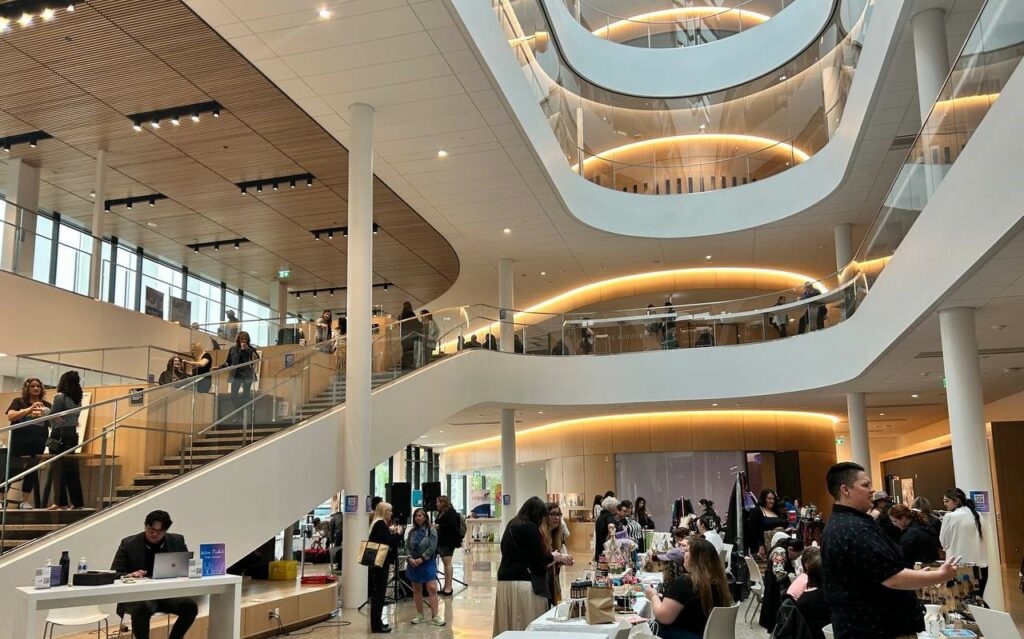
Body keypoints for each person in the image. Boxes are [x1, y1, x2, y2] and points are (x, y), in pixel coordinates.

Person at [821, 462, 958, 639]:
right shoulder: (854, 528)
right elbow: (891, 578)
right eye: (865, 485)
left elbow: (878, 571)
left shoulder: (845, 524)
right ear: (845, 490)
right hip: (877, 629)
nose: (872, 490)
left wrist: (915, 577)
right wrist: (940, 575)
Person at [110, 510, 198, 639]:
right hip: (138, 595)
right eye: (150, 529)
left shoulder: (177, 540)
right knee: (141, 607)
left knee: (190, 606)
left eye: (160, 531)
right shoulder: (129, 543)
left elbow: (186, 565)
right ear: (145, 525)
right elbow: (115, 572)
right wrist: (131, 574)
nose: (154, 534)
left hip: (166, 593)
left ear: (166, 530)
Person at [493, 497, 572, 635]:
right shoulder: (530, 527)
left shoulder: (512, 524)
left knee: (509, 624)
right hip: (523, 582)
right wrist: (555, 556)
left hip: (505, 581)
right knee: (524, 623)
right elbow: (538, 558)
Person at [644, 538, 733, 639]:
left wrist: (653, 595)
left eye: (687, 551)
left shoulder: (686, 582)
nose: (684, 556)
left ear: (696, 558)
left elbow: (663, 617)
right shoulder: (719, 583)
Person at [5, 378, 50, 509]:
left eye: (38, 386)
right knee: (13, 470)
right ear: (27, 388)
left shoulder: (46, 404)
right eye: (32, 386)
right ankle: (2, 499)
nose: (36, 389)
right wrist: (29, 409)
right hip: (19, 442)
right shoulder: (18, 402)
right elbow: (11, 416)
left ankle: (25, 501)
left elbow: (53, 422)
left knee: (32, 471)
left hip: (38, 442)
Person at [43, 371, 84, 510]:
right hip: (72, 434)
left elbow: (52, 415)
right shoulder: (77, 399)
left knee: (57, 468)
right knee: (71, 468)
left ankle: (60, 502)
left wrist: (43, 411)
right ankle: (77, 502)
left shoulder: (60, 397)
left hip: (58, 433)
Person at [940, 487, 988, 596]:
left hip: (960, 567)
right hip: (982, 566)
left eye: (947, 501)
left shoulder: (950, 516)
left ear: (956, 501)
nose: (945, 504)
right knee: (978, 600)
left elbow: (943, 542)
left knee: (961, 604)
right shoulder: (978, 515)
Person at [367, 501, 403, 633]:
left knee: (379, 593)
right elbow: (389, 542)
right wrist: (398, 534)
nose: (392, 513)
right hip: (380, 563)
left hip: (377, 563)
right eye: (390, 511)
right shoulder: (381, 523)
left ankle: (378, 622)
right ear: (384, 511)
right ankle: (376, 625)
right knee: (379, 594)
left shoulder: (376, 523)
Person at [406, 508, 444, 625]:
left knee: (432, 588)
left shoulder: (431, 530)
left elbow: (432, 547)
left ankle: (435, 615)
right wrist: (409, 558)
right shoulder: (411, 531)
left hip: (427, 562)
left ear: (425, 517)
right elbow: (407, 546)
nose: (418, 518)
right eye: (416, 516)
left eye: (420, 515)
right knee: (417, 589)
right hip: (413, 563)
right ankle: (420, 615)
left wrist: (421, 559)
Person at [760, 535, 804, 632]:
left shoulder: (785, 551)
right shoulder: (780, 552)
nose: (796, 557)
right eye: (797, 554)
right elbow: (778, 572)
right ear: (791, 549)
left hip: (776, 586)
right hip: (775, 589)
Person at [889, 504, 940, 568]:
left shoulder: (910, 534)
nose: (894, 525)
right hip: (932, 567)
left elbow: (904, 558)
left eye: (895, 521)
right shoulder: (925, 526)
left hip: (920, 570)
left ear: (903, 518)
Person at [223, 331, 259, 413]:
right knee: (233, 396)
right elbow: (228, 362)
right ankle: (239, 413)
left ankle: (242, 415)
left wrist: (248, 349)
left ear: (248, 340)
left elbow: (257, 359)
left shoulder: (252, 349)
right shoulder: (233, 349)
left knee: (245, 396)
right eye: (241, 339)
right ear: (238, 339)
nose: (243, 340)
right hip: (236, 375)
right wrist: (219, 367)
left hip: (247, 375)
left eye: (245, 339)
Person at [747, 488, 787, 557]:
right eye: (769, 498)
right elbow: (754, 530)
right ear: (764, 498)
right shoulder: (757, 510)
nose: (772, 501)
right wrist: (760, 546)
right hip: (766, 547)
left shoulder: (776, 511)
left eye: (773, 499)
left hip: (781, 546)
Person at [434, 495, 461, 596]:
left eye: (438, 502)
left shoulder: (451, 512)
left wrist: (438, 526)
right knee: (445, 564)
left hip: (448, 541)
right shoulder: (441, 513)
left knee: (447, 563)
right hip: (442, 540)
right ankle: (446, 586)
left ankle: (449, 587)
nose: (436, 504)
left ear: (443, 503)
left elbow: (452, 525)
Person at [546, 502, 569, 603]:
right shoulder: (541, 534)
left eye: (558, 515)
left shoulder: (556, 534)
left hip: (554, 577)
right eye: (552, 514)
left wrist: (561, 561)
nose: (556, 518)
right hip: (543, 579)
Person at [594, 495, 620, 562]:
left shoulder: (600, 517)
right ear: (612, 507)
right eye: (616, 506)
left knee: (601, 570)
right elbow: (611, 527)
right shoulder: (609, 517)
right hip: (607, 551)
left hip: (599, 550)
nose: (617, 509)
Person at [398, 302, 422, 370]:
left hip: (404, 337)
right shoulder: (411, 314)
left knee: (405, 352)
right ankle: (410, 367)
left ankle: (404, 367)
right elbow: (417, 324)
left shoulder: (401, 316)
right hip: (411, 336)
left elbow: (400, 326)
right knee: (411, 352)